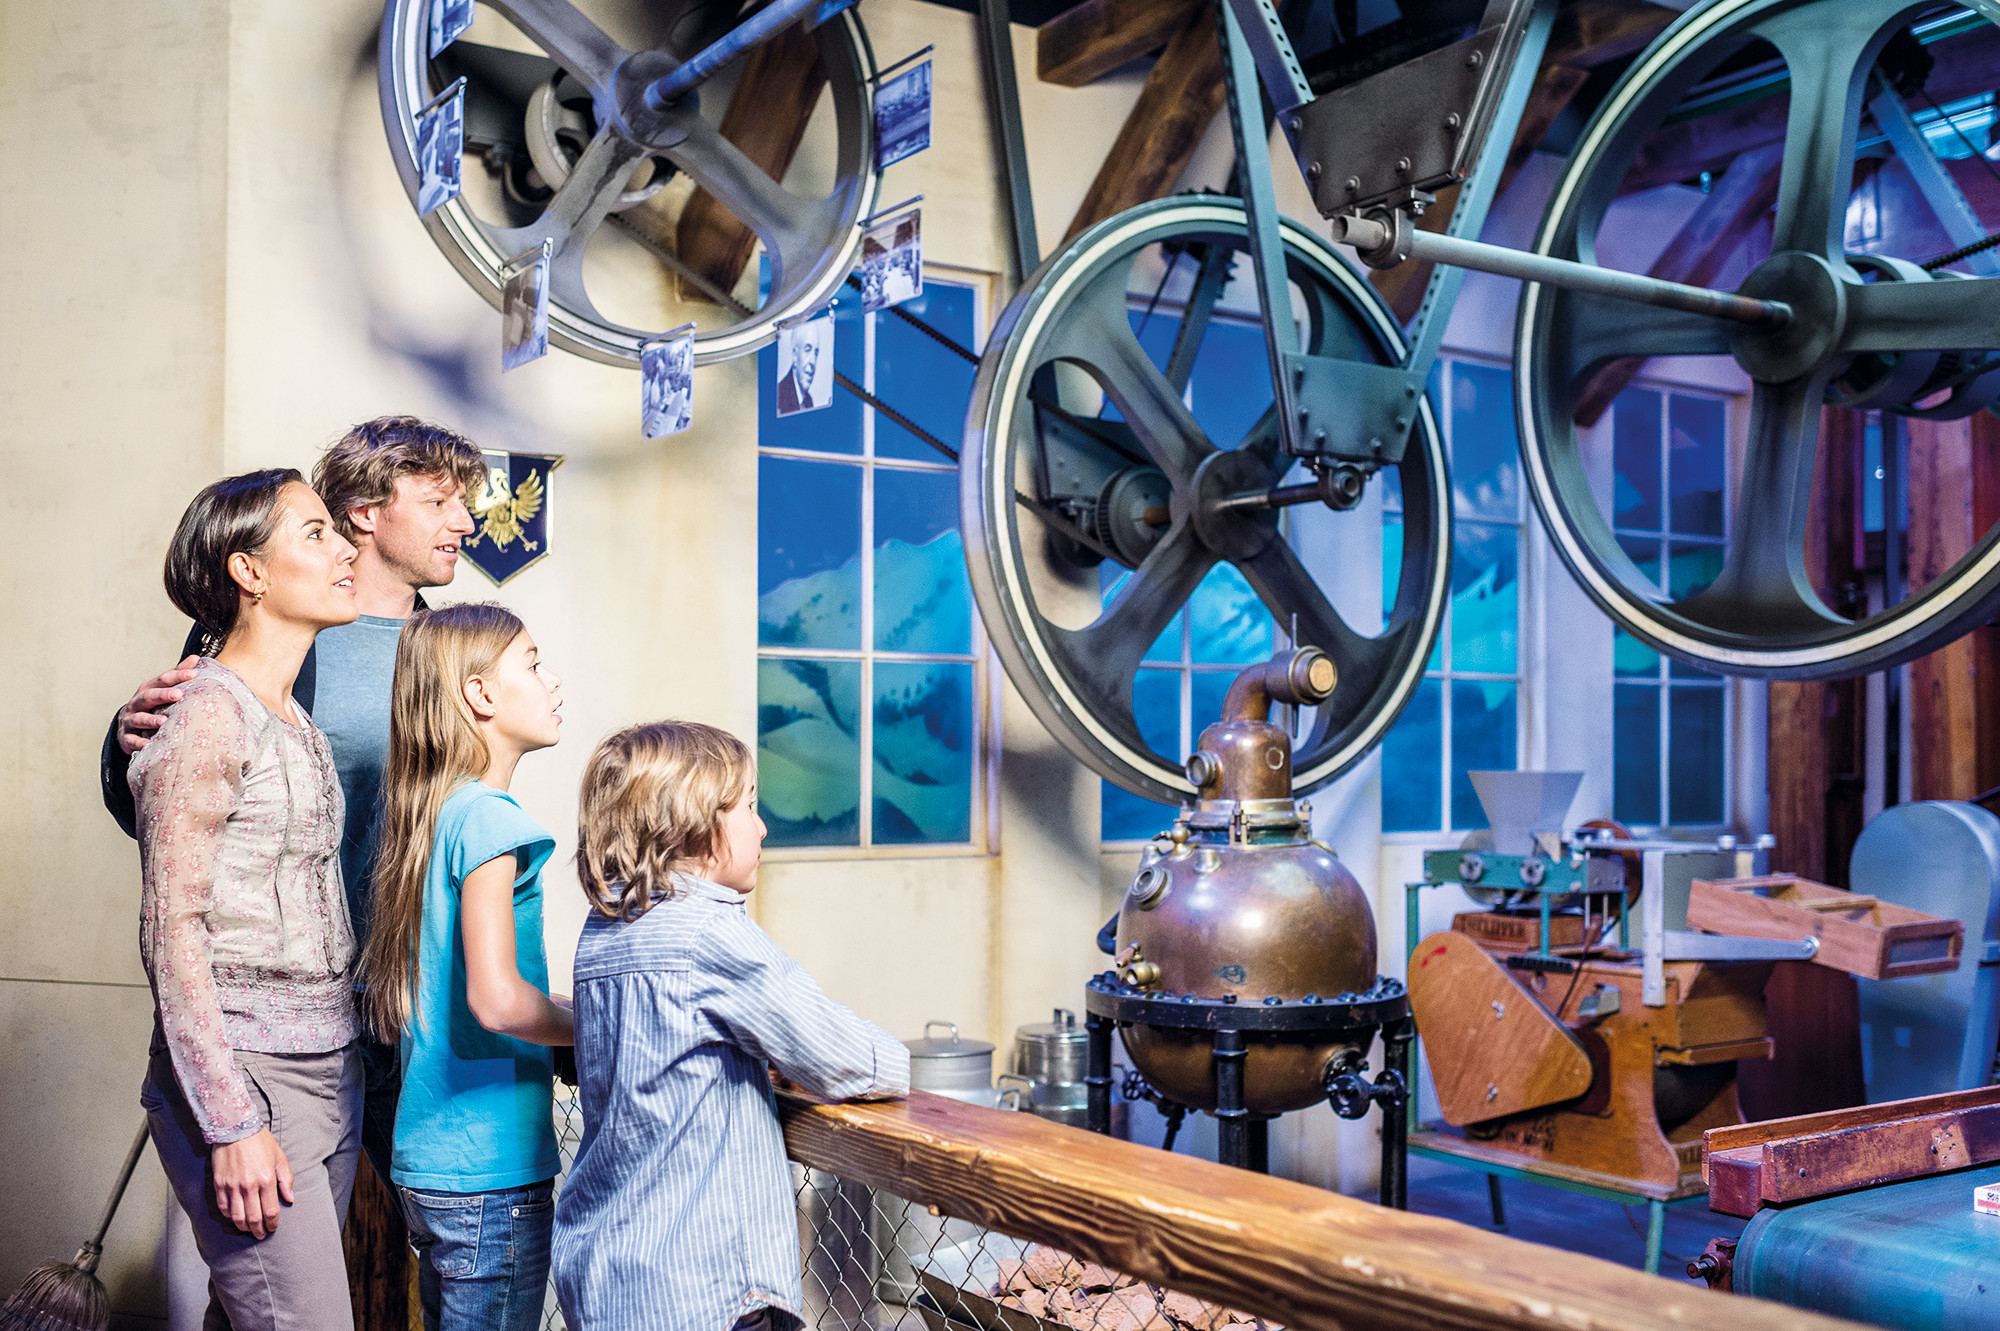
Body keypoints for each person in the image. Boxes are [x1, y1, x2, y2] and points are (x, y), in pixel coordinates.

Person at [103, 418, 486, 1221]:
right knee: (276, 1260)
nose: (466, 520)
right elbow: (178, 805)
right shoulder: (276, 630)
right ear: (365, 515)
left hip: (415, 1005)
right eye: (442, 500)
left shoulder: (452, 649)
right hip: (286, 1019)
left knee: (450, 1242)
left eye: (467, 501)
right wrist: (121, 739)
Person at [552, 721, 910, 1331]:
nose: (763, 825)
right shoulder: (711, 934)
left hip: (609, 1275)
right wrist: (898, 1059)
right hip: (703, 1293)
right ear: (697, 825)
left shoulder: (607, 930)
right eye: (750, 805)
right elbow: (843, 1058)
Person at [134, 469, 363, 1331]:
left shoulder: (293, 719)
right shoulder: (204, 713)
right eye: (314, 534)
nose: (345, 550)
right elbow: (172, 932)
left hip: (329, 1070)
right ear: (248, 572)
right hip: (249, 1079)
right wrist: (229, 1122)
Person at [360, 603, 573, 1331]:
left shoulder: (435, 812)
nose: (551, 683)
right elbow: (499, 1000)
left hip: (430, 1167)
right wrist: (595, 1023)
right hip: (490, 1173)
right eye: (534, 663)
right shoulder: (490, 819)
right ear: (481, 695)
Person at [775, 327, 821, 415]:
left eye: (815, 353)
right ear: (795, 355)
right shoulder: (780, 395)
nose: (812, 361)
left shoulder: (808, 401)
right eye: (807, 350)